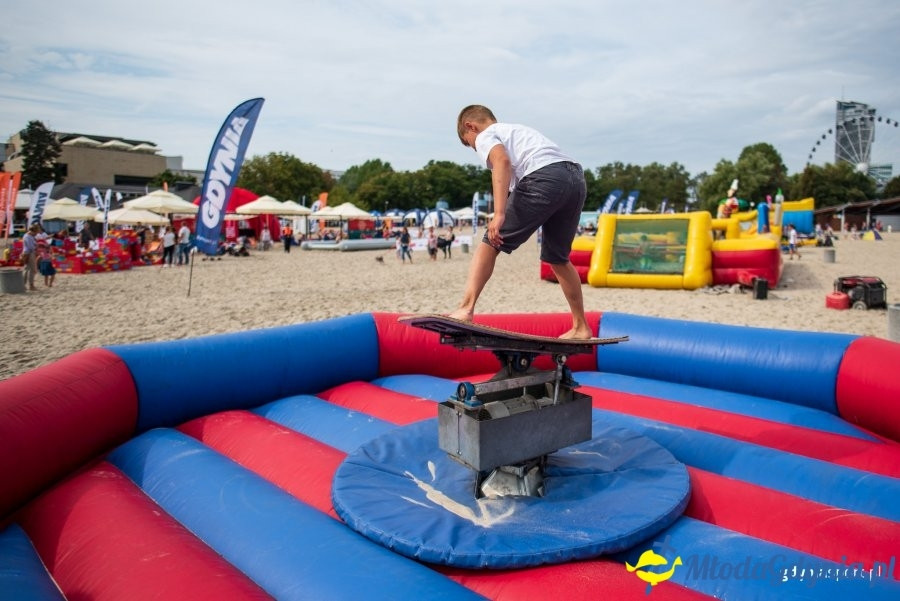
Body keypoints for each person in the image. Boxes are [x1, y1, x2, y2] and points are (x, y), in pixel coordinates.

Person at [450, 105, 590, 339]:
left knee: (490, 241)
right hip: (575, 178)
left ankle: (465, 308)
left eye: (469, 144)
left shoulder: (485, 135)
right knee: (558, 258)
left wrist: (499, 214)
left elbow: (501, 162)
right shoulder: (516, 131)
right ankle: (581, 326)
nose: (475, 149)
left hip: (544, 176)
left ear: (470, 126)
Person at [21, 224, 39, 291]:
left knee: (27, 269)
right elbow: (31, 247)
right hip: (29, 253)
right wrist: (36, 247)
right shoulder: (28, 237)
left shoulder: (28, 236)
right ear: (34, 230)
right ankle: (31, 285)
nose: (36, 233)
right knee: (32, 269)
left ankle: (23, 284)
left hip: (27, 253)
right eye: (36, 232)